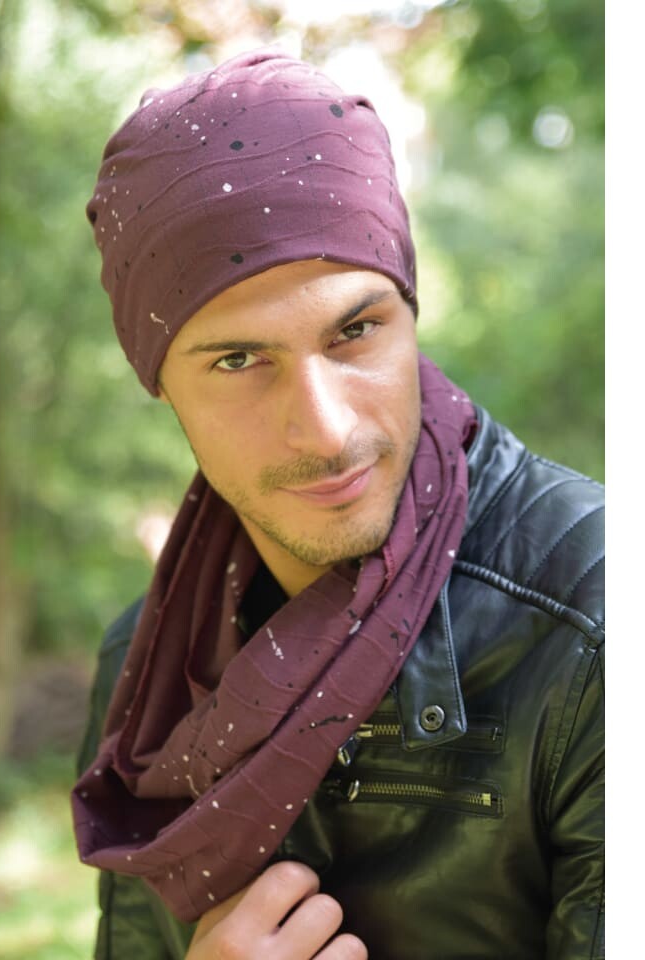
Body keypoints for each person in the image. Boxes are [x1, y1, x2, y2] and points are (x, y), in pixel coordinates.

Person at [72, 48, 604, 960]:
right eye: (240, 360)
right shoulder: (147, 663)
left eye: (355, 330)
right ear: (159, 383)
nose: (325, 430)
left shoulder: (597, 617)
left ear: (409, 312)